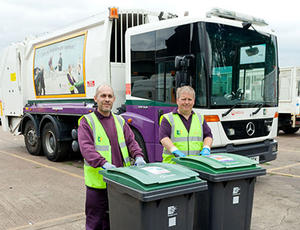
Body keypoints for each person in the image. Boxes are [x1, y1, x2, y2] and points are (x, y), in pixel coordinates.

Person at [78, 84, 146, 230]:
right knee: (95, 222)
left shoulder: (120, 121)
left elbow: (131, 142)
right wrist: (103, 163)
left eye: (109, 96)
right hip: (98, 184)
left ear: (114, 99)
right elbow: (86, 148)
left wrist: (139, 155)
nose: (107, 99)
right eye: (103, 96)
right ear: (96, 98)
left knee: (116, 220)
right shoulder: (87, 122)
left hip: (120, 182)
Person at [159, 86, 213, 164]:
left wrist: (206, 148)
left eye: (189, 99)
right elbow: (163, 138)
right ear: (177, 101)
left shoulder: (200, 118)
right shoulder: (168, 118)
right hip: (174, 165)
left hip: (195, 164)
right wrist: (175, 151)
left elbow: (208, 135)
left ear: (193, 101)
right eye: (183, 99)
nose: (186, 102)